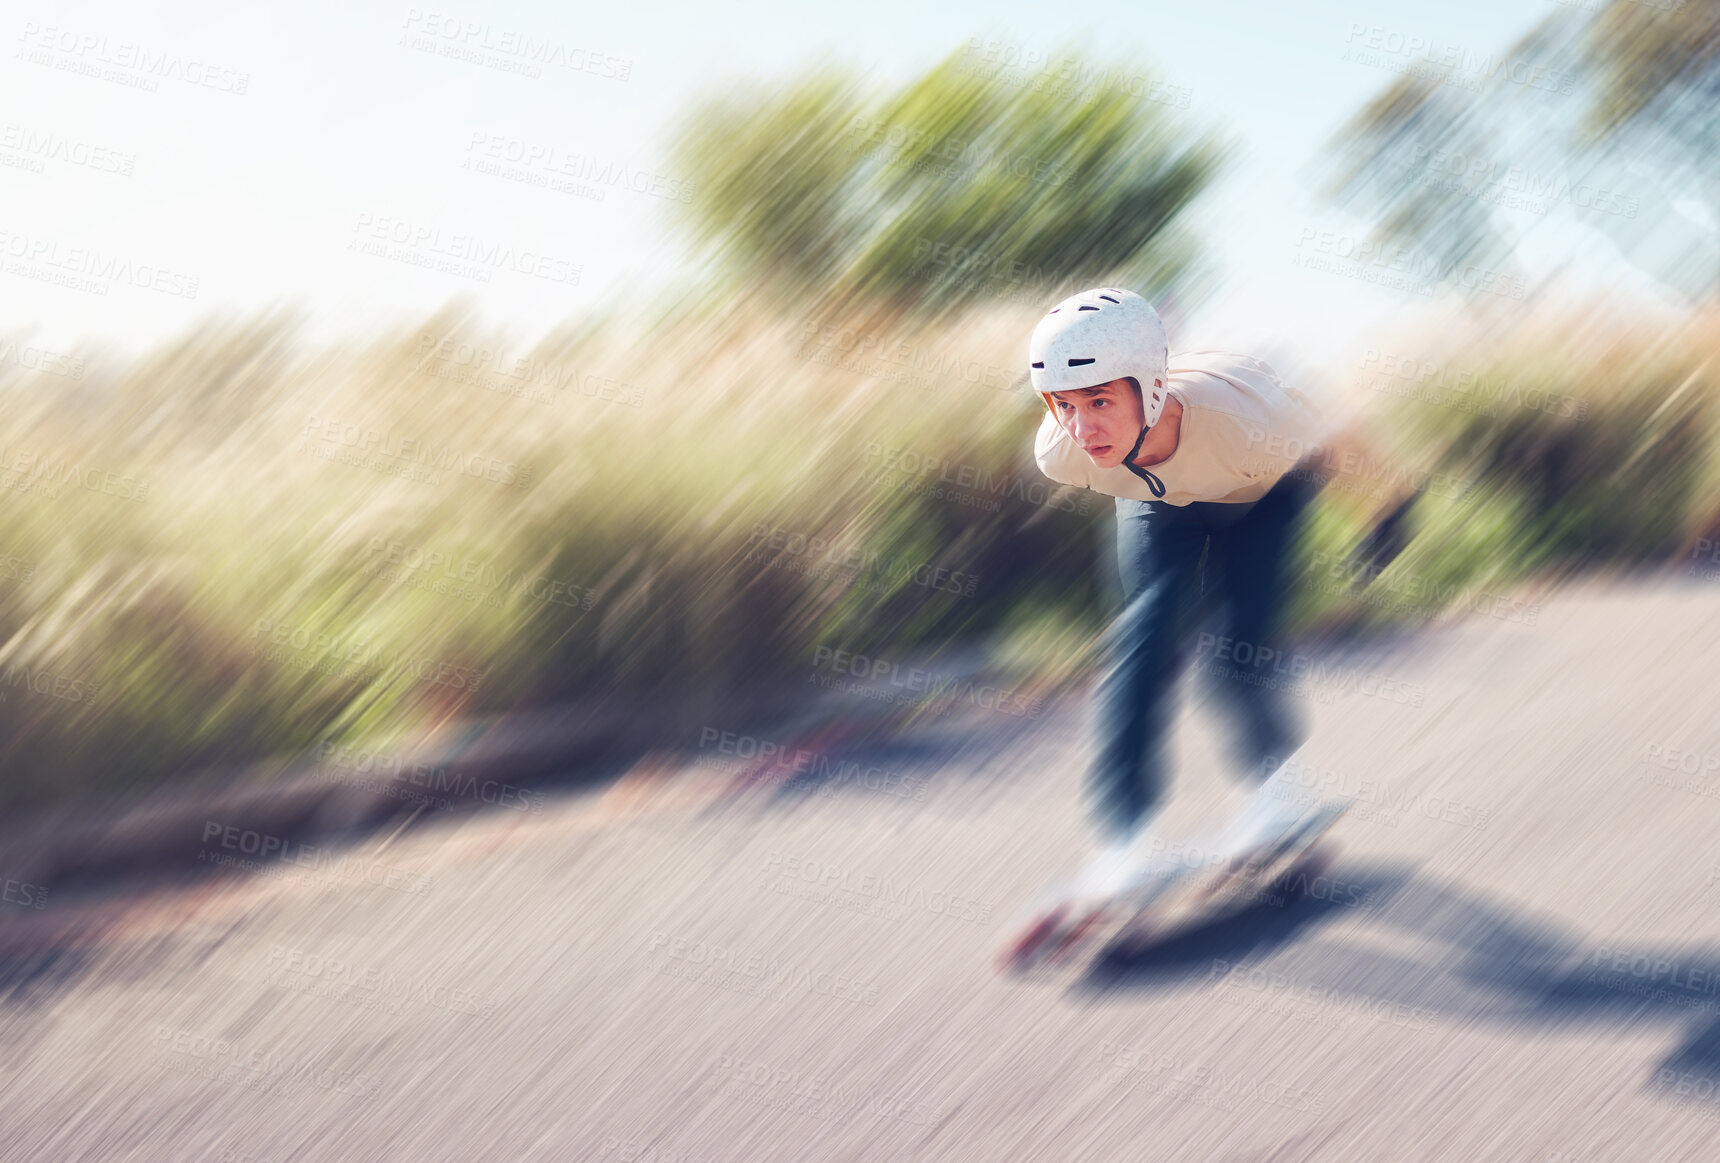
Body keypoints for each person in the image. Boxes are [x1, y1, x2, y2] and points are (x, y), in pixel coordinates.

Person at [1027, 286, 1338, 903]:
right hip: (1159, 494)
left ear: (1151, 386)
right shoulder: (1065, 451)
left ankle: (1277, 793)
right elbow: (1108, 455)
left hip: (1263, 491)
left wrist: (1392, 505)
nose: (1082, 426)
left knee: (1237, 651)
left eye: (1098, 400)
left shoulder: (1249, 420)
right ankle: (1125, 843)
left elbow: (1339, 437)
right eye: (1063, 403)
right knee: (1143, 645)